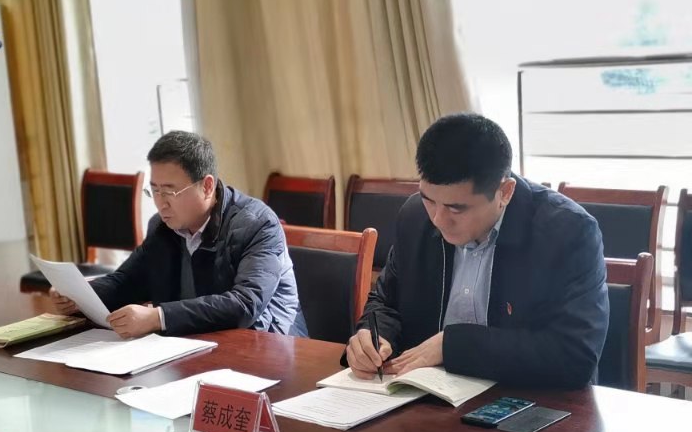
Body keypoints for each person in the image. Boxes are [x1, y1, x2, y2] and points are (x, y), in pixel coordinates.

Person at [345, 113, 609, 388]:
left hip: (529, 398)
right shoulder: (414, 216)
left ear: (505, 192)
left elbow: (574, 355)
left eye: (456, 208)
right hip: (426, 395)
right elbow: (386, 301)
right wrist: (373, 335)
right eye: (429, 200)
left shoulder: (568, 232)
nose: (438, 219)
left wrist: (452, 346)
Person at [50, 130, 307, 338]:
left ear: (207, 186)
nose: (161, 203)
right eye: (154, 190)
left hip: (270, 346)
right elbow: (128, 281)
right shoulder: (162, 227)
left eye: (170, 191)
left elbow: (244, 304)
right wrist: (81, 295)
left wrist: (158, 317)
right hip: (196, 344)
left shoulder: (258, 224)